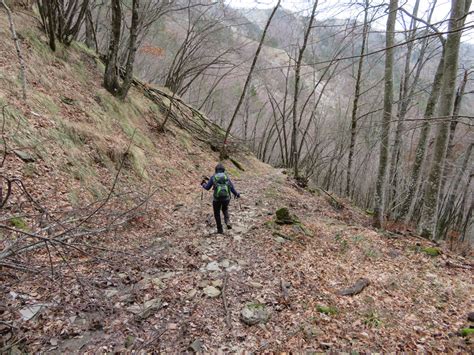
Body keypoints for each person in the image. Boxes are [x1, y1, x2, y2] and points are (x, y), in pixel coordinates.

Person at [201, 163, 240, 234]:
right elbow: (231, 187)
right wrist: (236, 194)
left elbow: (207, 188)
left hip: (217, 199)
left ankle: (220, 229)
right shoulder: (226, 176)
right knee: (225, 208)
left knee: (217, 213)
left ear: (216, 170)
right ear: (223, 170)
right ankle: (227, 221)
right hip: (226, 198)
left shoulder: (213, 177)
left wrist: (203, 184)